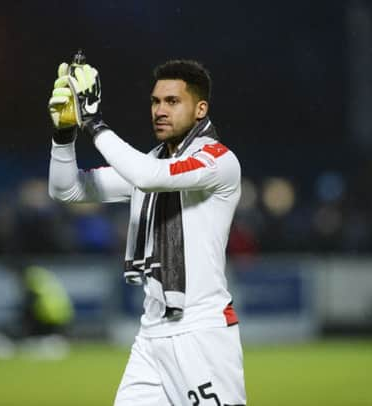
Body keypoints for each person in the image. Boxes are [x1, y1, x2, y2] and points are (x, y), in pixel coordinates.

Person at [47, 57, 246, 405]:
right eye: (155, 101)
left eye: (172, 101)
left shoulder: (218, 160)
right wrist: (64, 136)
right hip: (152, 334)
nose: (160, 110)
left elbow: (151, 178)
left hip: (200, 332)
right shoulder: (150, 163)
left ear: (200, 109)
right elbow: (67, 190)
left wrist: (93, 123)